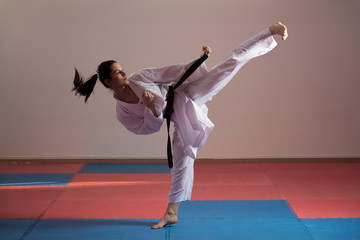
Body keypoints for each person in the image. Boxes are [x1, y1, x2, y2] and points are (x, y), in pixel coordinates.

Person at [72, 22, 288, 229]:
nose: (125, 73)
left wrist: (200, 59)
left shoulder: (141, 77)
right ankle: (172, 213)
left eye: (122, 69)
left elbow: (172, 73)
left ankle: (269, 32)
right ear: (108, 82)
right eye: (118, 72)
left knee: (229, 64)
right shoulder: (123, 112)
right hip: (178, 116)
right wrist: (150, 108)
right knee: (182, 160)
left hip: (189, 94)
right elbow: (150, 128)